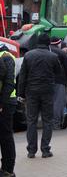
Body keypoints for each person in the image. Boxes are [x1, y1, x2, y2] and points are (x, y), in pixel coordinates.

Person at [18, 33, 60, 158]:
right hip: (47, 91)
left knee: (31, 121)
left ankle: (31, 151)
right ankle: (45, 150)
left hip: (31, 92)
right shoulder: (53, 56)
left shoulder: (28, 55)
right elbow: (58, 73)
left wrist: (21, 93)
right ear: (48, 43)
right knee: (47, 121)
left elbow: (22, 76)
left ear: (37, 43)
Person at [0, 44, 16, 177]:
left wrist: (2, 103)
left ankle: (8, 169)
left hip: (5, 103)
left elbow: (9, 82)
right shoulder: (8, 56)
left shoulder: (6, 57)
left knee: (5, 137)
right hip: (6, 101)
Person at [50, 37, 67, 130]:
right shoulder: (61, 53)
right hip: (59, 81)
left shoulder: (46, 51)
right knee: (58, 102)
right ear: (58, 44)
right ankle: (56, 123)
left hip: (46, 81)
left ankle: (48, 123)